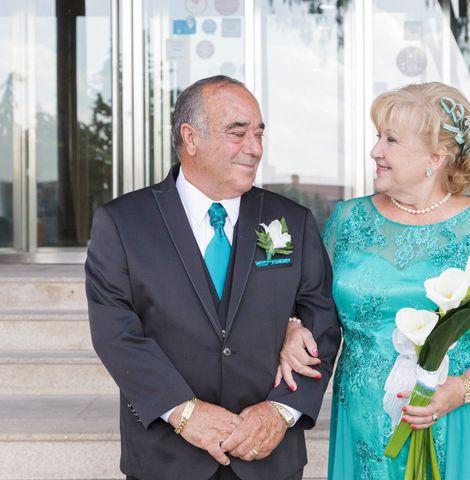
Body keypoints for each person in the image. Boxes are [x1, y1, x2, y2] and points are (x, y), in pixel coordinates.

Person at [278, 82, 470, 479]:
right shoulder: (348, 220)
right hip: (365, 419)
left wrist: (459, 390)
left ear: (435, 158)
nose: (376, 151)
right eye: (377, 137)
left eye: (390, 140)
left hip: (461, 420)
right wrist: (292, 326)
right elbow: (307, 302)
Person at [85, 75, 341, 480]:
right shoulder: (121, 223)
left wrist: (280, 412)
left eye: (258, 134)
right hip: (166, 459)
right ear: (190, 137)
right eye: (237, 133)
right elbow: (115, 332)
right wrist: (184, 413)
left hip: (268, 458)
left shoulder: (292, 221)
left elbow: (322, 324)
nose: (254, 148)